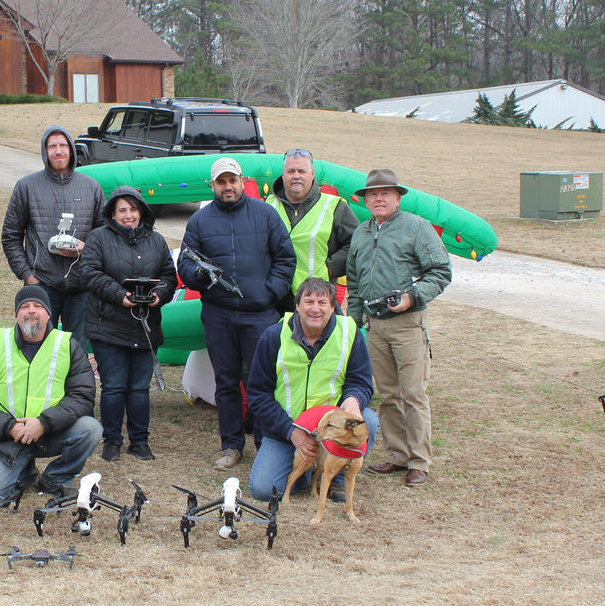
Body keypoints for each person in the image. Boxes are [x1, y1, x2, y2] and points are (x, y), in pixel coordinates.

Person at [177, 157, 296, 470]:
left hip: (260, 316)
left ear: (242, 181)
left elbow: (286, 259)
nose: (227, 186)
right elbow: (185, 263)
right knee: (226, 381)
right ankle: (231, 445)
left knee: (262, 380)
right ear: (212, 185)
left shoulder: (266, 215)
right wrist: (199, 277)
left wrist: (269, 293)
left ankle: (266, 444)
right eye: (221, 181)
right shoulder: (200, 221)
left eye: (232, 180)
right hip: (219, 314)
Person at [344, 168, 453, 487]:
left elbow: (441, 271)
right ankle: (397, 455)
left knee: (413, 393)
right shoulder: (361, 232)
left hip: (407, 324)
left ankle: (419, 461)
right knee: (389, 393)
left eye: (385, 193)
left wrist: (412, 297)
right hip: (374, 325)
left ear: (397, 198)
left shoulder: (417, 227)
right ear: (365, 200)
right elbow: (354, 282)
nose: (378, 198)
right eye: (372, 194)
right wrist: (353, 323)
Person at [246, 278, 378, 504]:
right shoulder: (273, 336)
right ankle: (308, 469)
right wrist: (290, 431)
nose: (315, 309)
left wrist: (353, 399)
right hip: (287, 427)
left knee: (369, 421)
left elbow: (361, 382)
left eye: (322, 302)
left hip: (331, 428)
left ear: (333, 307)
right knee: (264, 490)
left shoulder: (349, 333)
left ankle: (336, 476)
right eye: (308, 301)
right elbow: (258, 395)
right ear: (297, 306)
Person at [0, 285, 102, 500]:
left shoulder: (68, 346)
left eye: (38, 306)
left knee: (91, 429)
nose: (31, 310)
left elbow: (82, 395)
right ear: (16, 314)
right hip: (6, 437)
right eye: (24, 306)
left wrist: (44, 423)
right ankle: (26, 472)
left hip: (49, 432)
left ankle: (56, 478)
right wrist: (9, 427)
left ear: (48, 314)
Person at [81, 185, 177, 462]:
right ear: (112, 214)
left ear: (141, 212)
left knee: (139, 388)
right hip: (108, 324)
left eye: (133, 209)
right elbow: (89, 273)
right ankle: (112, 440)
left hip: (146, 326)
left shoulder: (156, 241)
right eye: (122, 210)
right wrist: (119, 295)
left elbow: (169, 276)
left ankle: (140, 441)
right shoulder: (98, 238)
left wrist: (159, 295)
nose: (128, 215)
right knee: (113, 386)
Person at [0, 125, 105, 346]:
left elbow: (104, 235)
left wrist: (85, 248)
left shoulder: (91, 187)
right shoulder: (27, 187)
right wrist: (28, 275)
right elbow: (10, 236)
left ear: (71, 150)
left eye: (63, 145)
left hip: (81, 287)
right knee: (37, 346)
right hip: (41, 284)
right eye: (52, 146)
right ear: (45, 151)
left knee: (75, 349)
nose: (58, 151)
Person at [267, 148, 358, 312]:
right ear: (283, 174)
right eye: (291, 171)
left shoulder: (335, 206)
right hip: (276, 300)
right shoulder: (268, 204)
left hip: (318, 301)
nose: (296, 176)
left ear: (312, 173)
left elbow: (356, 244)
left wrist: (330, 268)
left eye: (302, 171)